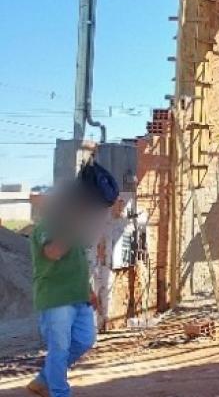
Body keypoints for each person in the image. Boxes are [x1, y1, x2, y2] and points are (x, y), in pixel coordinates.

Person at [27, 161, 120, 397]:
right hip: (56, 296)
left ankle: (43, 380)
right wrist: (72, 226)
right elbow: (54, 252)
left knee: (85, 340)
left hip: (78, 296)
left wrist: (88, 289)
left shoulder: (75, 230)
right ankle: (59, 392)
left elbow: (78, 264)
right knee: (59, 348)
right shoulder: (46, 227)